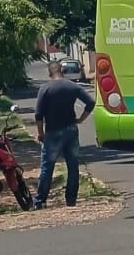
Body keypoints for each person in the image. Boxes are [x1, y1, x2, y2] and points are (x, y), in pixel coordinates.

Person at [34, 60, 95, 209]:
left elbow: (38, 114)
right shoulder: (72, 86)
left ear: (49, 73)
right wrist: (81, 119)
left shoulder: (45, 88)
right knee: (73, 166)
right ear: (62, 70)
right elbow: (91, 102)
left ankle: (40, 200)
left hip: (52, 132)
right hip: (71, 130)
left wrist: (40, 133)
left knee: (48, 166)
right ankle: (71, 199)